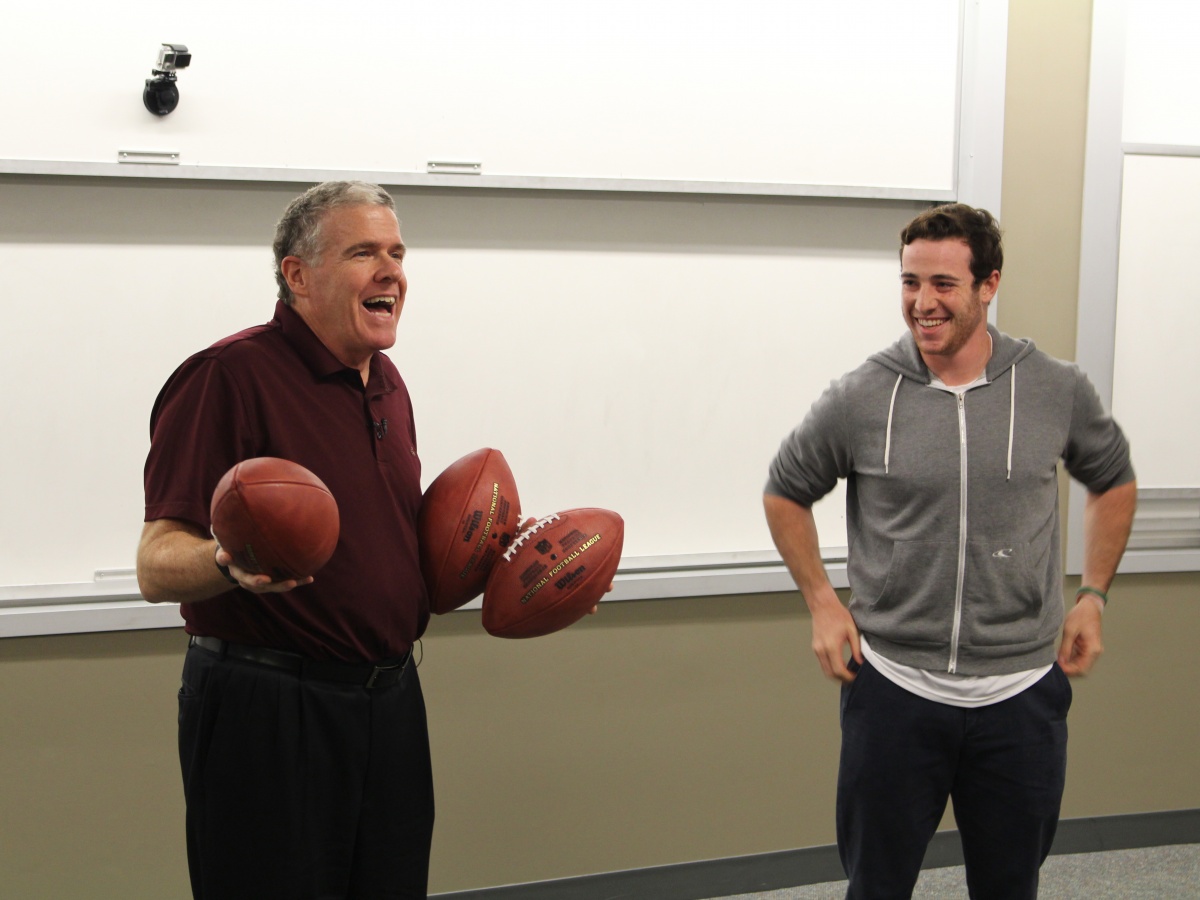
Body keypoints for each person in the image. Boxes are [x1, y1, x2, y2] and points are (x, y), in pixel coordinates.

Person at [763, 203, 1136, 900]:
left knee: (1008, 887)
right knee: (876, 887)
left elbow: (1112, 478)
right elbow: (785, 490)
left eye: (942, 284)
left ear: (989, 284)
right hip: (895, 693)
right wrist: (821, 602)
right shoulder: (860, 395)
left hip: (1021, 696)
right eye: (909, 283)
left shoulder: (1056, 388)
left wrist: (1094, 595)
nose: (921, 303)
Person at [137, 181, 435, 899]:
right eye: (363, 251)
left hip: (390, 699)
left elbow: (391, 548)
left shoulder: (386, 383)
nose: (391, 269)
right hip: (268, 708)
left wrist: (509, 565)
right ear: (297, 274)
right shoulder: (227, 377)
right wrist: (225, 562)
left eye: (396, 251)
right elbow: (155, 562)